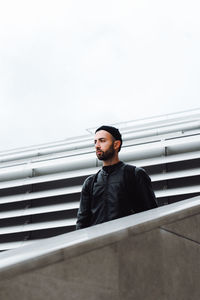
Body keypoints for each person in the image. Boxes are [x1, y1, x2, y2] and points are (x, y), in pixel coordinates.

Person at [76, 125, 157, 229]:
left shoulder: (134, 174)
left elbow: (151, 214)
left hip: (128, 242)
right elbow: (82, 223)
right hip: (99, 243)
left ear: (116, 144)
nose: (97, 145)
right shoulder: (90, 182)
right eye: (95, 142)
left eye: (102, 140)